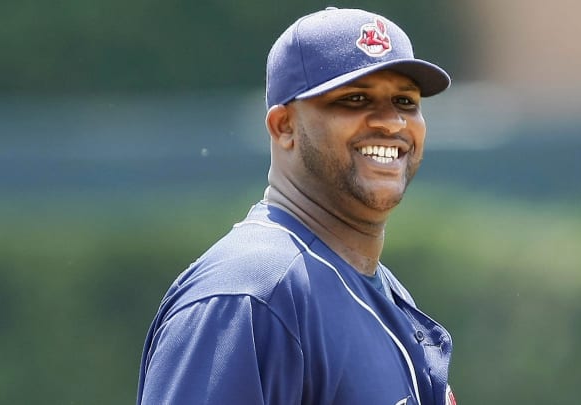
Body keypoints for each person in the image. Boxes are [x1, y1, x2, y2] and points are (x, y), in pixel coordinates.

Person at [137, 7, 456, 405]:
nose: (392, 122)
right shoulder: (248, 296)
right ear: (283, 126)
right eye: (355, 98)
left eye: (406, 101)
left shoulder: (373, 285)